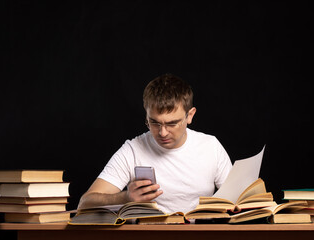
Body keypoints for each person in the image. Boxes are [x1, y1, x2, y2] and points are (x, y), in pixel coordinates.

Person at [77, 73, 232, 213]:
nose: (162, 133)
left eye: (172, 124)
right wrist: (125, 197)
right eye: (154, 123)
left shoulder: (210, 146)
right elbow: (85, 203)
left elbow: (237, 199)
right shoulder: (133, 149)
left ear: (189, 116)